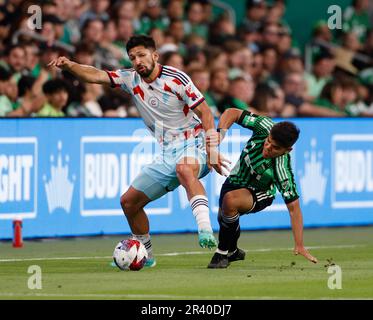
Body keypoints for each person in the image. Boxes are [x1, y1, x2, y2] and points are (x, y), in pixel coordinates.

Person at [48, 35, 229, 267]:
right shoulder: (130, 79)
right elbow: (95, 74)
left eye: (142, 55)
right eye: (133, 57)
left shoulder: (176, 78)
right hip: (167, 152)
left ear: (155, 55)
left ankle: (204, 228)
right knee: (129, 203)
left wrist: (212, 150)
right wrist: (70, 65)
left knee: (184, 169)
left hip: (195, 142)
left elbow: (205, 112)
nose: (137, 61)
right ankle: (146, 254)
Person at [207, 108, 318, 268]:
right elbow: (233, 112)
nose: (267, 148)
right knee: (224, 217)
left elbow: (294, 209)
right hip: (236, 179)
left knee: (230, 202)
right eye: (268, 141)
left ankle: (221, 254)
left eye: (275, 148)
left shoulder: (282, 170)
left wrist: (299, 244)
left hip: (260, 193)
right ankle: (233, 251)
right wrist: (220, 134)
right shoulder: (264, 125)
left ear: (287, 150)